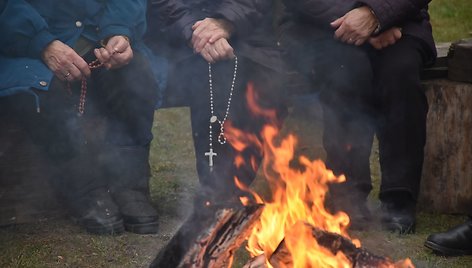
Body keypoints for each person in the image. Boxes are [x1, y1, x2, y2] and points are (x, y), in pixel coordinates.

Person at [0, 0, 161, 235]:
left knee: (134, 77)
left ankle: (129, 186)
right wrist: (43, 43)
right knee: (43, 91)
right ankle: (86, 191)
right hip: (23, 45)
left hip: (95, 35)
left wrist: (118, 30)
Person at [278, 0, 436, 233]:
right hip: (321, 26)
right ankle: (347, 192)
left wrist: (378, 18)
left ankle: (399, 197)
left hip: (400, 22)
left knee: (400, 74)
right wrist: (360, 20)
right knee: (347, 72)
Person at [145, 0, 287, 205]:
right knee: (214, 72)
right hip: (176, 37)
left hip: (250, 34)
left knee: (267, 83)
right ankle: (218, 191)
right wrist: (196, 31)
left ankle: (233, 186)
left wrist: (225, 21)